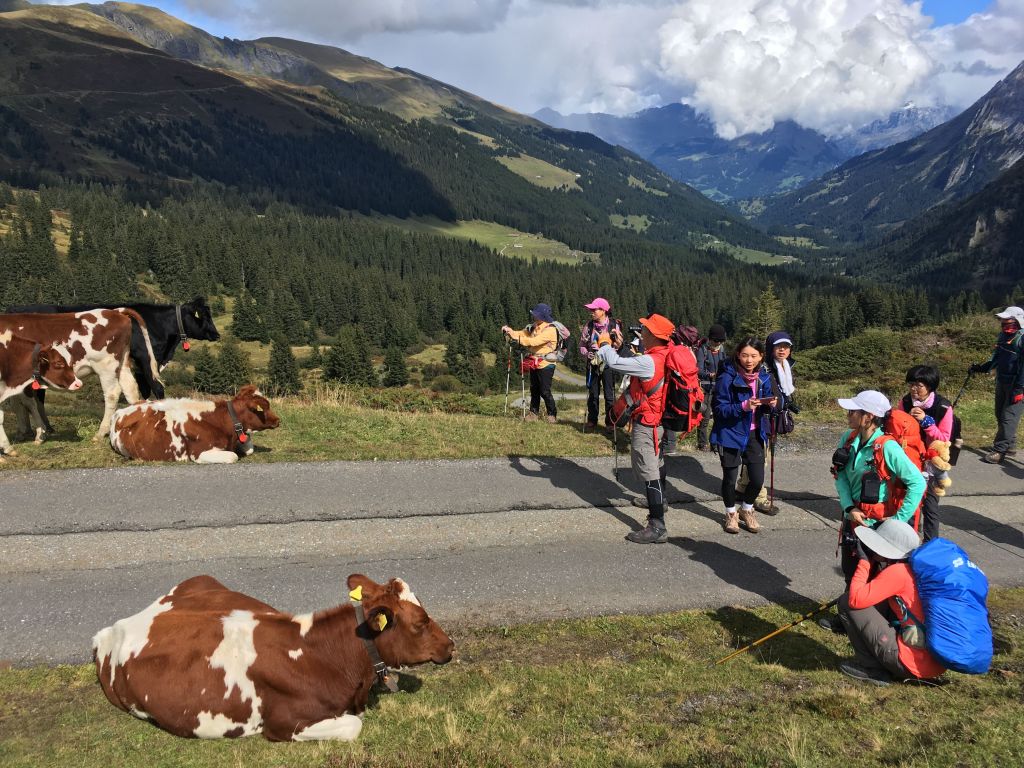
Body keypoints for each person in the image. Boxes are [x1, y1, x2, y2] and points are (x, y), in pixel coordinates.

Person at [819, 390, 927, 633]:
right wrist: (849, 507)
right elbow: (841, 475)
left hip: (879, 524)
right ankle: (849, 619)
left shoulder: (887, 447)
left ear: (868, 417)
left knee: (875, 576)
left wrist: (897, 522)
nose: (848, 414)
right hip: (854, 518)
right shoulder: (848, 438)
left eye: (853, 411)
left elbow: (918, 483)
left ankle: (873, 625)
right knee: (851, 569)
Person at [836, 518, 946, 686]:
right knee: (878, 601)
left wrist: (864, 561)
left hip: (911, 666)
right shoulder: (917, 569)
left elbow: (855, 599)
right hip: (936, 663)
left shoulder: (898, 573)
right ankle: (889, 658)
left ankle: (873, 670)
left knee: (846, 603)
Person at [596, 313, 675, 544]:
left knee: (648, 472)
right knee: (657, 464)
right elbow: (636, 363)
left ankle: (657, 525)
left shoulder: (650, 361)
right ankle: (662, 502)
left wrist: (604, 344)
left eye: (646, 330)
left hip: (647, 423)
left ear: (653, 335)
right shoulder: (664, 354)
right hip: (660, 422)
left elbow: (614, 363)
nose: (643, 332)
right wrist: (621, 348)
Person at [710, 338, 777, 534]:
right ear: (738, 355)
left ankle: (747, 509)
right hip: (730, 433)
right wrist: (743, 406)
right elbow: (719, 409)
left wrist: (771, 405)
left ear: (761, 356)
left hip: (756, 433)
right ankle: (731, 513)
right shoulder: (727, 378)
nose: (749, 360)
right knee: (730, 479)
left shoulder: (763, 377)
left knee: (757, 480)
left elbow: (771, 405)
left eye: (754, 356)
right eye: (745, 355)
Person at [737, 330, 799, 515]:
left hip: (775, 415)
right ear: (770, 348)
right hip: (762, 417)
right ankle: (760, 497)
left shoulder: (786, 366)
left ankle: (742, 487)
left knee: (757, 455)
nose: (782, 350)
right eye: (778, 346)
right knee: (761, 457)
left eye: (786, 346)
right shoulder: (763, 368)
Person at [894, 365, 953, 542]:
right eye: (911, 384)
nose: (913, 389)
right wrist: (906, 420)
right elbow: (896, 431)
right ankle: (908, 540)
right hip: (910, 458)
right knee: (909, 501)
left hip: (932, 462)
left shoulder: (943, 407)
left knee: (931, 505)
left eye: (919, 385)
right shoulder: (905, 403)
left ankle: (930, 544)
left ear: (930, 387)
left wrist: (926, 423)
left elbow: (944, 439)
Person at [969, 305, 1024, 464]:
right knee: (1000, 414)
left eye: (1007, 319)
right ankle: (1011, 446)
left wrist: (1020, 388)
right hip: (1002, 381)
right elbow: (996, 359)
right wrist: (980, 368)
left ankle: (999, 451)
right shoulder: (1003, 337)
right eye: (1002, 320)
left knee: (1009, 417)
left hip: (1018, 385)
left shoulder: (1021, 338)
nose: (1003, 322)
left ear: (1017, 320)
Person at [502, 303, 559, 423]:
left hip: (546, 363)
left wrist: (516, 339)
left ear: (543, 316)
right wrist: (511, 331)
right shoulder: (534, 326)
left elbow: (534, 342)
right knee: (534, 389)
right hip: (534, 361)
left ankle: (552, 414)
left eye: (536, 315)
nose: (534, 316)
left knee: (544, 390)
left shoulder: (550, 330)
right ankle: (533, 414)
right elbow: (522, 334)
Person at [578, 297, 623, 430]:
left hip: (608, 364)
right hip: (593, 363)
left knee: (609, 394)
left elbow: (619, 344)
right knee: (593, 393)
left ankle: (610, 423)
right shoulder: (589, 326)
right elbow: (582, 345)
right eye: (591, 309)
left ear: (603, 311)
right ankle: (592, 420)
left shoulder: (614, 325)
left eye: (594, 309)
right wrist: (587, 353)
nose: (591, 312)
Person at [661, 324, 701, 457]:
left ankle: (667, 445)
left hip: (672, 390)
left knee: (666, 415)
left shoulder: (674, 350)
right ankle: (669, 444)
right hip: (688, 393)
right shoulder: (690, 352)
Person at [695, 324, 727, 452]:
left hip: (719, 388)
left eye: (720, 341)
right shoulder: (702, 350)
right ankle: (702, 444)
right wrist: (709, 374)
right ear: (710, 339)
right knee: (705, 418)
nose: (718, 343)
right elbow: (698, 369)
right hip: (706, 389)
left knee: (720, 417)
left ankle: (716, 442)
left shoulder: (722, 350)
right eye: (716, 340)